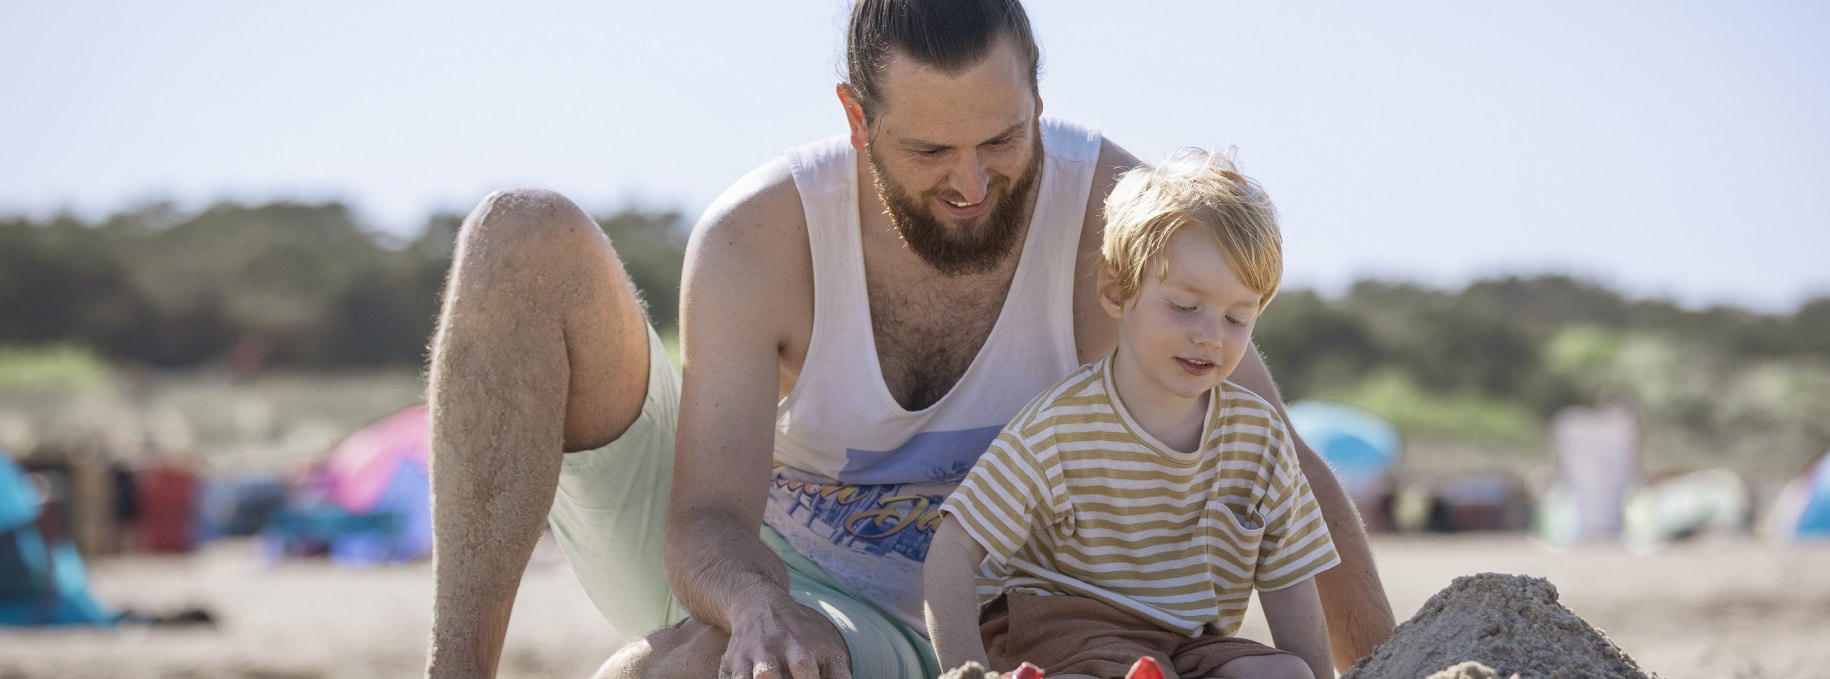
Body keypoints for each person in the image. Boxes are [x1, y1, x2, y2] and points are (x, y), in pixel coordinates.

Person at [422, 2, 1392, 678]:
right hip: (760, 559)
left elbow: (1272, 455)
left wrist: (1399, 663)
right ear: (857, 119)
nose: (970, 184)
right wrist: (758, 608)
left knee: (703, 666)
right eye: (929, 152)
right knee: (521, 232)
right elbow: (707, 516)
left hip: (1000, 623)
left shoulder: (1108, 213)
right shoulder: (761, 237)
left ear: (1038, 106)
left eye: (1002, 142)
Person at [923, 149, 1334, 679]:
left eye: (1237, 316)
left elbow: (1289, 580)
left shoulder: (1258, 438)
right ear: (1118, 290)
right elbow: (953, 549)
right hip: (1055, 626)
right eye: (1185, 306)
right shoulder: (1058, 427)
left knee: (1285, 675)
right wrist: (965, 670)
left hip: (1184, 639)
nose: (1210, 335)